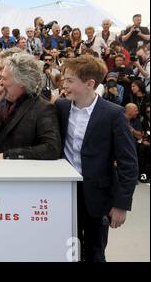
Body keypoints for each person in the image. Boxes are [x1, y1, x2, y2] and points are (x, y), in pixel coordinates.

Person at [55, 54, 138, 262]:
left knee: (95, 253)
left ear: (90, 83)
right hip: (66, 194)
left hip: (98, 198)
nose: (64, 85)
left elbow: (128, 162)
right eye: (64, 79)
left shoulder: (113, 114)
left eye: (70, 80)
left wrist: (121, 204)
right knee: (66, 250)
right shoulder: (61, 107)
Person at [0, 51, 61, 160]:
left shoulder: (43, 108)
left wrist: (8, 155)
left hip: (23, 175)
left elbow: (52, 148)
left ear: (21, 82)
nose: (0, 83)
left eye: (4, 78)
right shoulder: (0, 101)